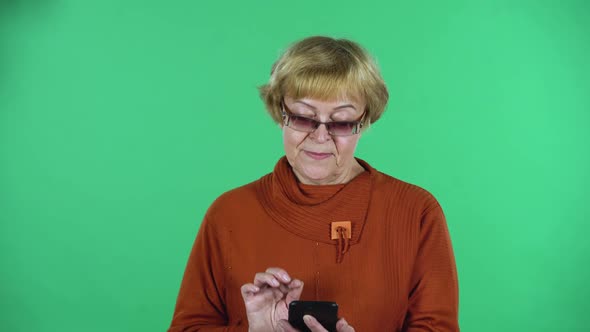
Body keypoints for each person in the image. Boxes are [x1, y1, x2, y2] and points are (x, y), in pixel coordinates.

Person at [168, 36, 459, 331]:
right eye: (304, 118)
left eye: (341, 121)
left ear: (364, 121)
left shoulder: (416, 211)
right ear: (279, 114)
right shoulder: (229, 212)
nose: (320, 138)